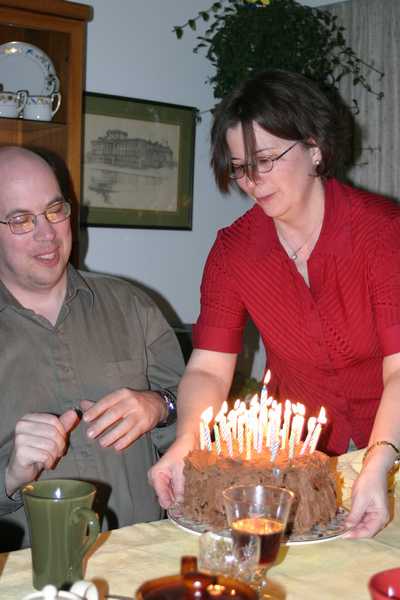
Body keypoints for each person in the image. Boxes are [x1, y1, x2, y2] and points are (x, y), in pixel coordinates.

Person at [149, 69, 400, 540]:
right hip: (301, 468)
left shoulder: (384, 234)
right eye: (240, 167)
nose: (252, 181)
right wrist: (187, 440)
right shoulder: (233, 252)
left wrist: (381, 456)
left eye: (265, 160)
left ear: (314, 147)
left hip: (393, 453)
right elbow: (208, 369)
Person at [0, 146, 185, 551]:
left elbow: (200, 429)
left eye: (54, 210)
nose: (47, 233)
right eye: (21, 220)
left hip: (145, 557)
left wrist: (161, 406)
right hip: (28, 573)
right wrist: (10, 475)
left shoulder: (132, 305)